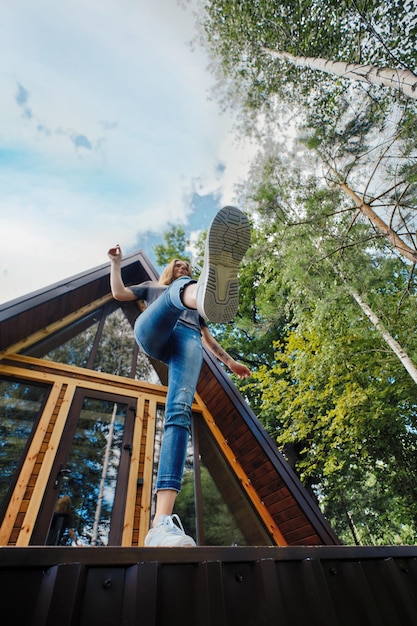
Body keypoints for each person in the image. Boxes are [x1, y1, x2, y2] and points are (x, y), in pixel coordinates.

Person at [108, 206, 251, 547]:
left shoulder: (197, 318)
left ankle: (160, 524)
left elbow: (208, 340)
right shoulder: (153, 290)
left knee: (179, 413)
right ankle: (197, 294)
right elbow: (119, 293)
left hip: (187, 338)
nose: (183, 268)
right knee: (178, 296)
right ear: (171, 271)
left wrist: (230, 363)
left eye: (188, 268)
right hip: (155, 330)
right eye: (180, 268)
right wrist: (115, 263)